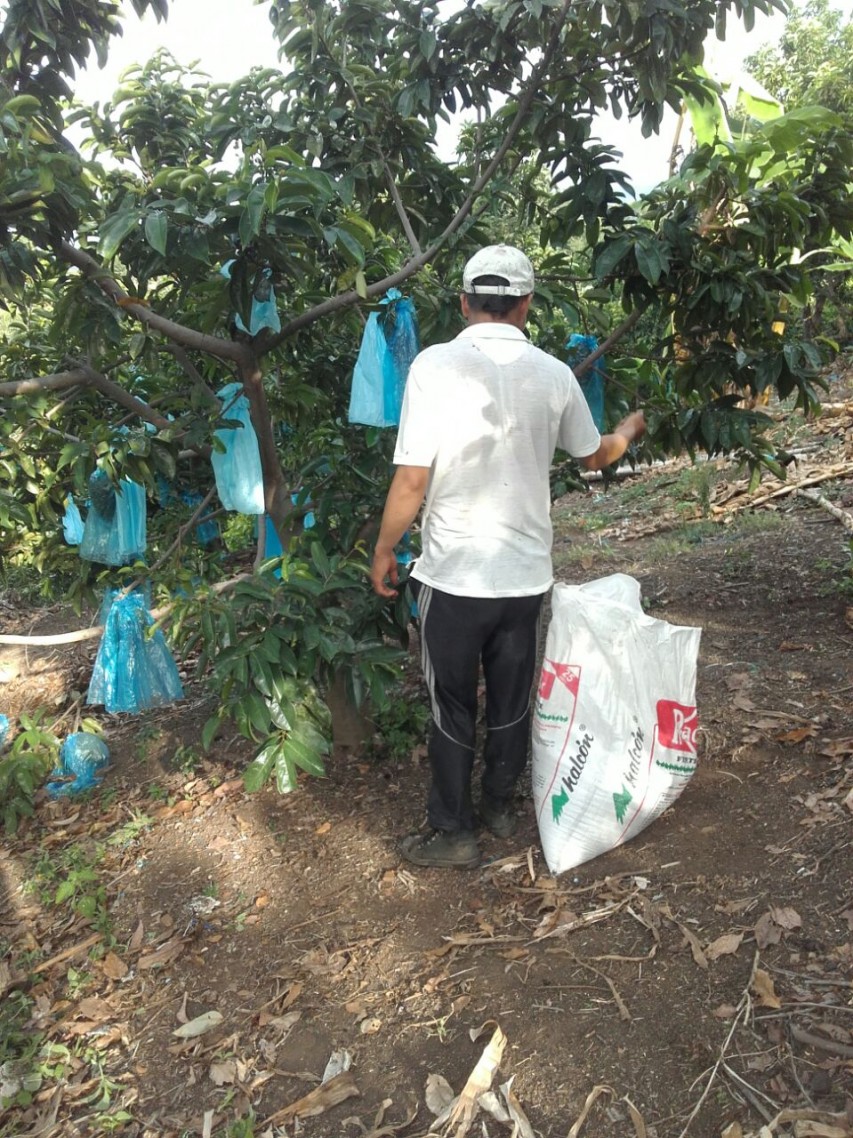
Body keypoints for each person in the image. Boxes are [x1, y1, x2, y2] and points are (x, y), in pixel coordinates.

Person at [370, 245, 645, 869]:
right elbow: (593, 455)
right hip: (524, 579)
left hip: (454, 580)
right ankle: (497, 805)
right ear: (526, 305)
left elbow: (412, 480)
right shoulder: (552, 375)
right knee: (513, 697)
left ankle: (453, 831)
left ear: (465, 302)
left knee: (452, 703)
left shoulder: (434, 367)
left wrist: (385, 549)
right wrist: (628, 431)